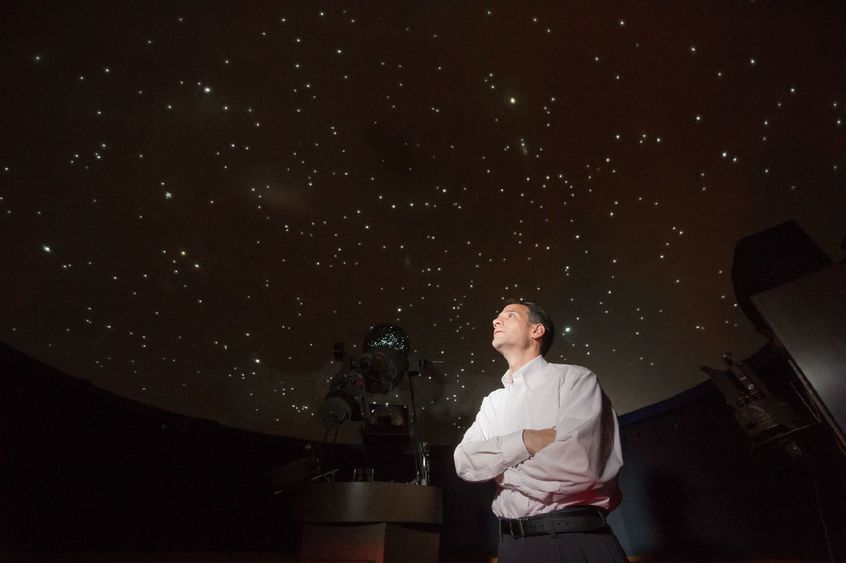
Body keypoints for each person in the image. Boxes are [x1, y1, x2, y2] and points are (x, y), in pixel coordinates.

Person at [454, 300, 627, 562]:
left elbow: (581, 467)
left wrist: (498, 470)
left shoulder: (576, 380)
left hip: (575, 542)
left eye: (509, 315)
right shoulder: (493, 402)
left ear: (536, 331)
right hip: (511, 548)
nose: (495, 321)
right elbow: (464, 462)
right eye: (497, 316)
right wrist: (525, 441)